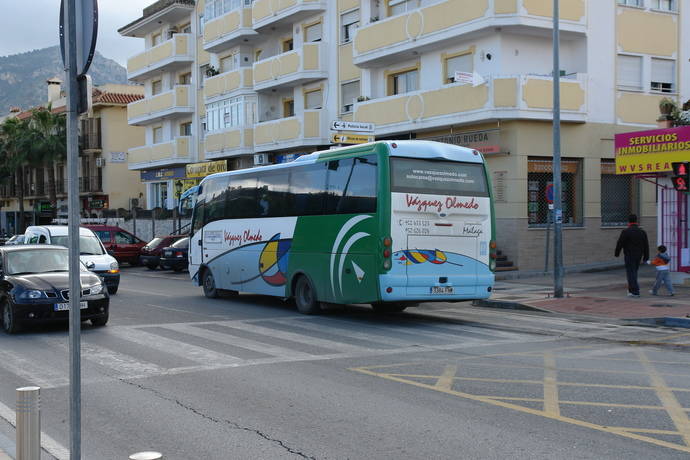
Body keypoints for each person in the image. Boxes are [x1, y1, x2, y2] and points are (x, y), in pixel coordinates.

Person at [614, 214, 649, 297]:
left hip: (629, 255)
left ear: (628, 221)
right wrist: (646, 256)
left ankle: (635, 291)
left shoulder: (626, 231)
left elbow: (620, 243)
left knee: (631, 272)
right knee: (634, 272)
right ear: (636, 221)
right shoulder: (642, 232)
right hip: (639, 255)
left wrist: (617, 253)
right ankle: (631, 289)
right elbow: (646, 245)